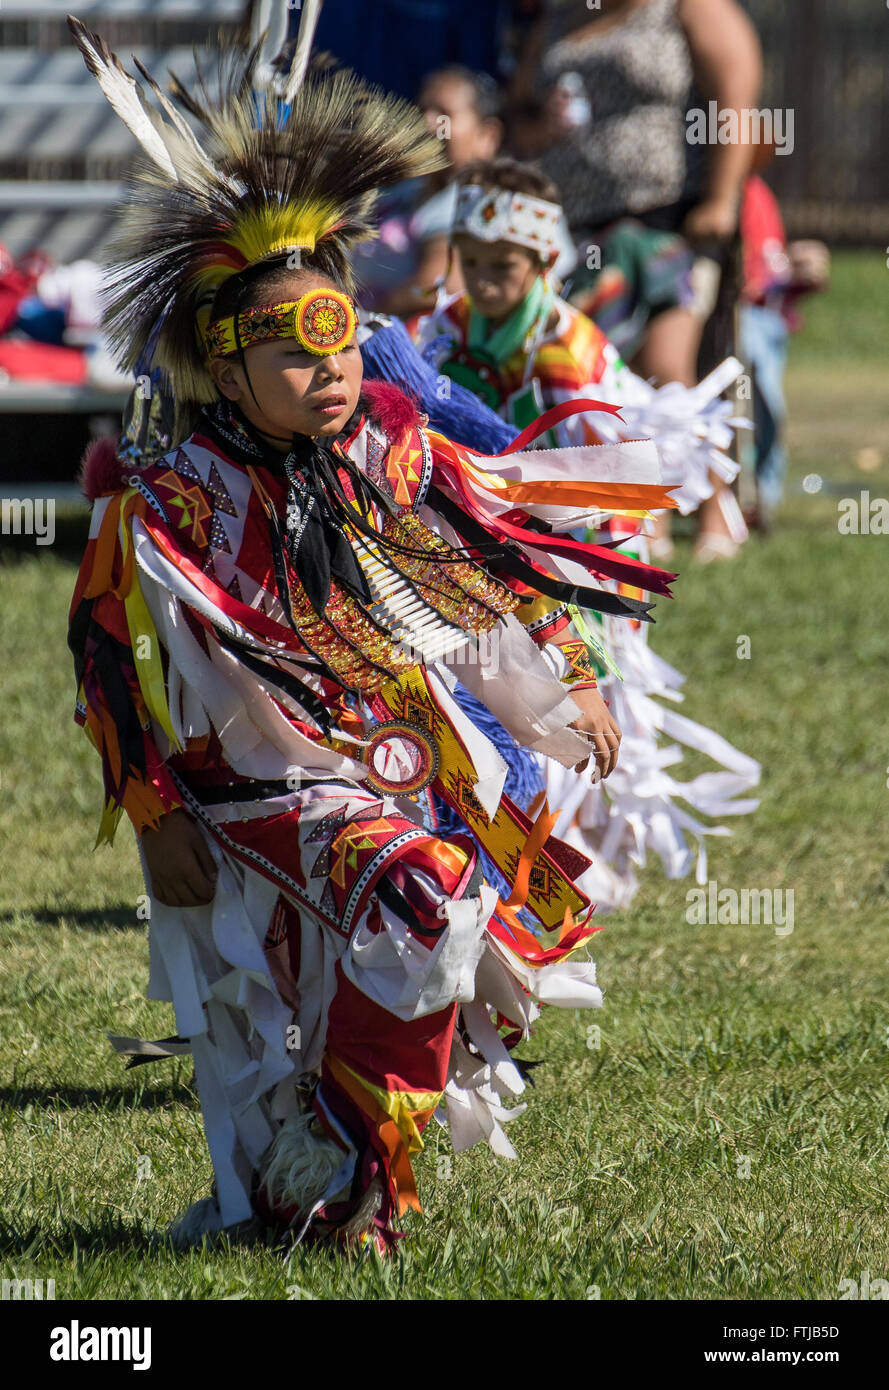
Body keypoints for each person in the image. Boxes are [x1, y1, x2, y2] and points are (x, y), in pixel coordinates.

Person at [66, 14, 679, 1253]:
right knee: (423, 902)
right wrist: (154, 811)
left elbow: (492, 559)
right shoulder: (173, 497)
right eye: (286, 350)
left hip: (405, 761)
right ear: (225, 374)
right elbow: (106, 656)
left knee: (435, 945)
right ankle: (346, 1186)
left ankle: (336, 1192)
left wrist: (571, 674)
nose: (324, 365)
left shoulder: (392, 448)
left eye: (337, 331)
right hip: (260, 785)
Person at [415, 158, 760, 910]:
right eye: (468, 262)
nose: (481, 278)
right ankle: (499, 834)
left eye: (501, 265)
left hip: (587, 540)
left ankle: (603, 851)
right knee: (483, 679)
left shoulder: (564, 349)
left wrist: (585, 577)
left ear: (543, 261)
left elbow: (599, 479)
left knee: (591, 686)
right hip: (480, 532)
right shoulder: (439, 329)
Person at [509, 0, 762, 558]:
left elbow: (736, 99)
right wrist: (540, 126)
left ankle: (716, 508)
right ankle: (646, 512)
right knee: (604, 373)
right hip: (577, 231)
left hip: (669, 218)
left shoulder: (687, 8)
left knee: (669, 367)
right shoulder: (559, 18)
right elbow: (516, 114)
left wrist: (722, 197)